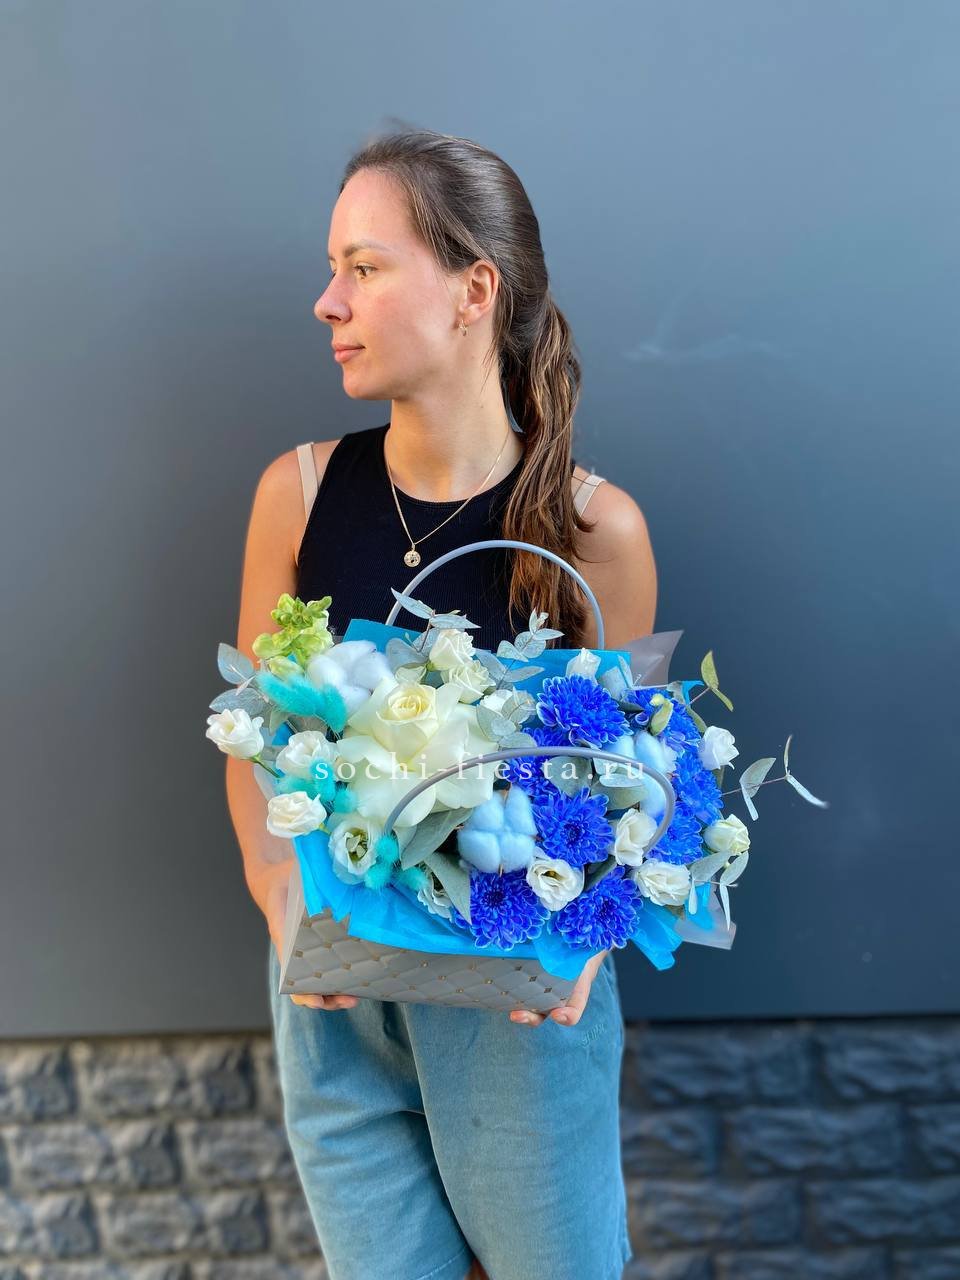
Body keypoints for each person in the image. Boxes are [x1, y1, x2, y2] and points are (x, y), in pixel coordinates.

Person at [226, 128, 657, 1280]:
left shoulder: (593, 531)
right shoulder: (297, 495)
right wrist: (279, 898)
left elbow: (631, 794)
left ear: (474, 291)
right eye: (333, 269)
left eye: (364, 268)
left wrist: (588, 935)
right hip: (335, 996)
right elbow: (251, 737)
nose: (328, 301)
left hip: (515, 1014)